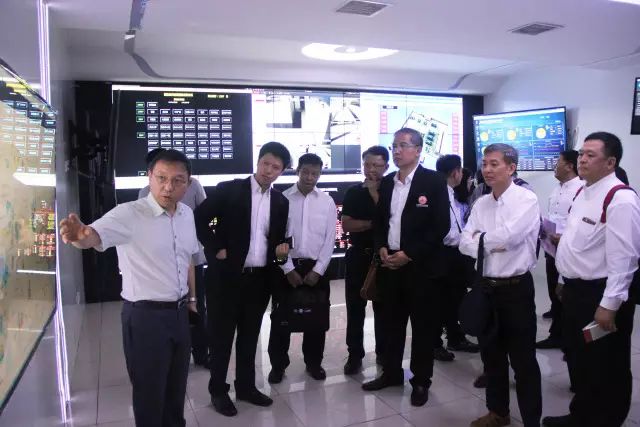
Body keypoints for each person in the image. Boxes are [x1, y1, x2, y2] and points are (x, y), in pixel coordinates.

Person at [59, 149, 200, 427]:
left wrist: (193, 300)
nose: (168, 187)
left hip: (180, 313)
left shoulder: (186, 215)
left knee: (176, 389)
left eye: (177, 180)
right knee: (149, 394)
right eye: (161, 178)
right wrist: (79, 236)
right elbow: (92, 236)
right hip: (146, 317)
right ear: (149, 177)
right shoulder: (129, 214)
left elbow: (188, 261)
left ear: (188, 183)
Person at [543, 132, 640, 427]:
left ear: (610, 162)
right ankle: (581, 415)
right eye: (581, 154)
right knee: (580, 357)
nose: (582, 160)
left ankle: (606, 420)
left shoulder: (620, 199)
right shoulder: (583, 192)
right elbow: (573, 242)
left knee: (607, 362)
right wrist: (563, 279)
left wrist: (609, 305)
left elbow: (625, 259)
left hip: (600, 295)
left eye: (590, 155)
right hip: (576, 291)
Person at [194, 141, 291, 417]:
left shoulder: (281, 202)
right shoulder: (230, 189)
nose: (268, 170)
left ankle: (246, 387)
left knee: (249, 337)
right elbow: (199, 218)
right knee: (221, 337)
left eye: (276, 167)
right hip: (226, 278)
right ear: (258, 161)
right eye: (266, 163)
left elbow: (278, 241)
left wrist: (281, 260)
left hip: (259, 280)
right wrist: (215, 250)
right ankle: (218, 390)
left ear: (281, 171)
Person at [361, 128, 450, 407]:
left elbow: (441, 226)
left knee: (422, 327)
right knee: (391, 324)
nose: (397, 151)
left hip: (420, 267)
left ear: (418, 150)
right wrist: (381, 247)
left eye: (402, 145)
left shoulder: (433, 181)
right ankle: (391, 373)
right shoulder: (388, 182)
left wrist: (409, 254)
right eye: (394, 146)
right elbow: (380, 222)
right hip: (390, 265)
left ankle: (421, 381)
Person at [460, 143, 542, 427]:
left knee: (523, 360)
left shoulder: (526, 199)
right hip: (486, 288)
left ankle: (531, 419)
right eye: (484, 164)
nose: (487, 169)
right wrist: (487, 242)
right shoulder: (481, 203)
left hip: (515, 289)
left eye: (494, 164)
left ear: (511, 168)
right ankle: (498, 413)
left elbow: (511, 237)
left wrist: (481, 239)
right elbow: (464, 243)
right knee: (491, 356)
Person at [267, 153, 337, 383]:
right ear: (297, 171)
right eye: (305, 172)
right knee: (281, 320)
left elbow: (329, 240)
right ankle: (278, 365)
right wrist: (287, 269)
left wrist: (319, 270)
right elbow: (276, 238)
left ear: (320, 174)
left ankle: (314, 363)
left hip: (316, 268)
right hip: (287, 267)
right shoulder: (282, 199)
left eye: (314, 173)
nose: (309, 177)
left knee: (316, 320)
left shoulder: (326, 202)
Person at [138, 148, 210, 367]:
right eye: (160, 175)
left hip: (192, 257)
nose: (168, 184)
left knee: (197, 305)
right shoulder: (144, 193)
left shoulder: (193, 186)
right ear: (151, 173)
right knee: (170, 309)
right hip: (163, 264)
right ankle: (174, 355)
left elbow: (207, 214)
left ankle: (201, 353)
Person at [341, 146, 389, 374]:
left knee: (384, 309)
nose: (371, 170)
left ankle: (383, 353)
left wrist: (374, 194)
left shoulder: (391, 190)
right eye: (367, 164)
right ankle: (355, 355)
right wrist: (372, 224)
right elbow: (347, 224)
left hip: (384, 258)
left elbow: (390, 222)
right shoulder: (353, 192)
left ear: (386, 167)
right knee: (355, 308)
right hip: (358, 256)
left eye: (376, 165)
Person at [432, 154, 480, 362]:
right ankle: (435, 344)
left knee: (455, 299)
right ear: (456, 172)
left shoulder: (452, 194)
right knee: (440, 301)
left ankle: (455, 337)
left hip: (455, 255)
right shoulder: (440, 194)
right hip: (443, 254)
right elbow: (446, 231)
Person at [536, 150, 581, 350]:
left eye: (558, 162)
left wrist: (562, 237)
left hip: (568, 250)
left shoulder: (580, 189)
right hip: (551, 248)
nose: (555, 166)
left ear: (569, 166)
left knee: (565, 294)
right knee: (554, 290)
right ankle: (558, 328)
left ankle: (561, 336)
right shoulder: (557, 189)